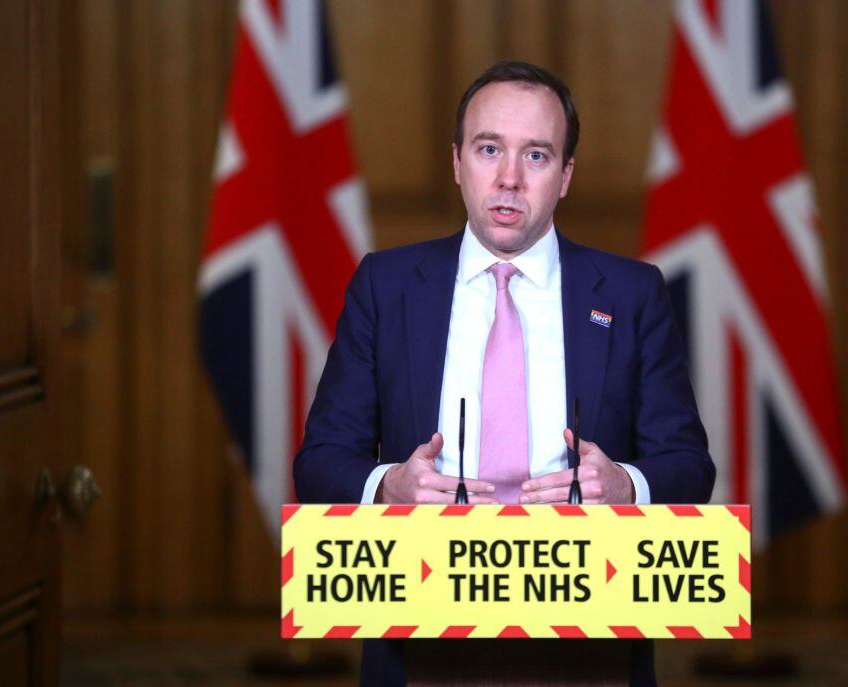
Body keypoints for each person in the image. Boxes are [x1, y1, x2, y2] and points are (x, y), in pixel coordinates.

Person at [294, 60, 715, 686]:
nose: (509, 178)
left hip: (589, 638)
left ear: (565, 176)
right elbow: (320, 463)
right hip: (419, 632)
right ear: (457, 161)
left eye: (536, 156)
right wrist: (388, 488)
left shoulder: (632, 294)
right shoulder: (387, 286)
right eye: (489, 149)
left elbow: (689, 467)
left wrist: (625, 486)